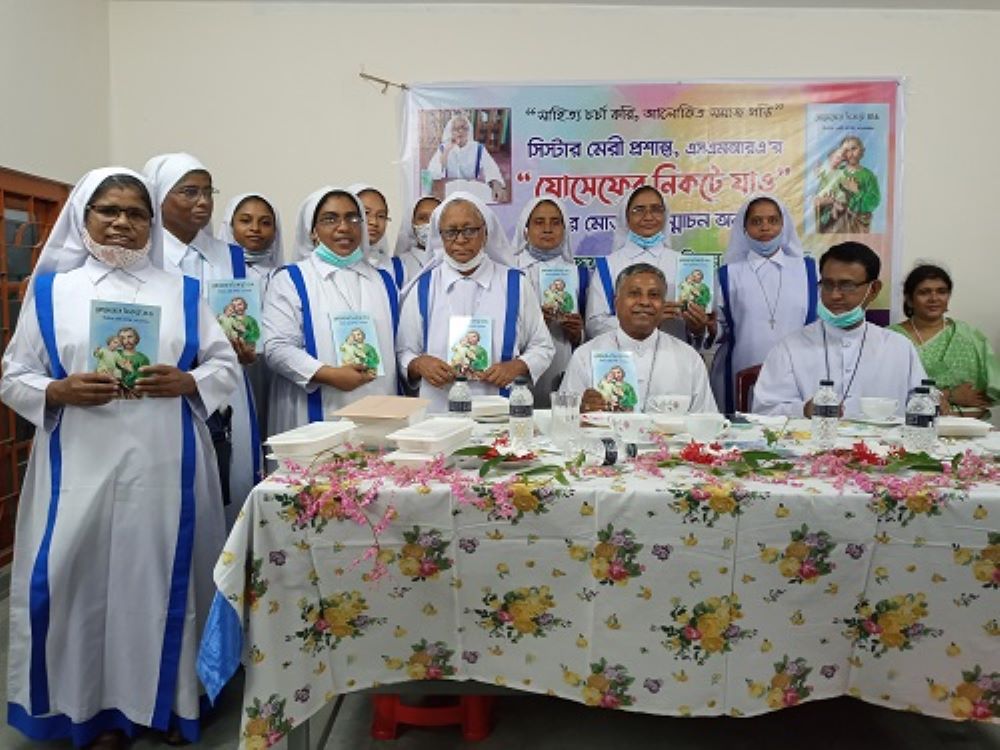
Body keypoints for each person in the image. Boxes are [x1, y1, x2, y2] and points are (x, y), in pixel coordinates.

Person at [0, 167, 239, 749]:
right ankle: (91, 711)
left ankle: (172, 704)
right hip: (78, 468)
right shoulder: (53, 291)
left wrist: (186, 381)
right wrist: (55, 391)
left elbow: (224, 366)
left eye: (136, 213)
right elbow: (14, 372)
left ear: (151, 225)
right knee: (80, 583)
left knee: (164, 581)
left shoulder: (181, 290)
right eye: (108, 210)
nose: (122, 223)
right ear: (83, 218)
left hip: (168, 466)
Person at [144, 153, 261, 521]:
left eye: (208, 192)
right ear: (158, 196)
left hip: (227, 385)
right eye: (189, 192)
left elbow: (252, 321)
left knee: (236, 477)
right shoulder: (143, 254)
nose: (203, 202)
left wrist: (249, 346)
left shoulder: (231, 256)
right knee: (177, 493)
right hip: (166, 387)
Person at [396, 192, 554, 413]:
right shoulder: (424, 286)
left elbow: (542, 346)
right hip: (438, 414)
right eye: (451, 232)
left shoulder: (515, 284)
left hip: (501, 413)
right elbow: (404, 351)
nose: (460, 240)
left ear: (486, 232)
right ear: (440, 236)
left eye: (470, 230)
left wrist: (516, 366)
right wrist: (419, 364)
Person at [263, 187, 400, 434]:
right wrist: (327, 374)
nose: (344, 227)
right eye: (330, 219)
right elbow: (276, 347)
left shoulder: (384, 280)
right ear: (312, 231)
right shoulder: (292, 279)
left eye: (353, 217)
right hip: (317, 405)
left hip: (380, 407)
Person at [754, 241, 925, 418]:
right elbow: (764, 411)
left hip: (881, 445)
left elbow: (922, 406)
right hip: (813, 443)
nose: (835, 295)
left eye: (847, 286)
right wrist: (804, 410)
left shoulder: (899, 348)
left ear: (873, 290)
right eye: (827, 285)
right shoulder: (790, 347)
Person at [703, 194, 819, 413]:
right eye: (756, 221)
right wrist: (709, 327)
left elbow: (819, 324)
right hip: (740, 367)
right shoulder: (728, 274)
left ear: (783, 225)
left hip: (799, 369)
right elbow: (721, 328)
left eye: (773, 220)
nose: (765, 227)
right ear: (744, 228)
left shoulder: (807, 270)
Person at [563, 263, 717, 414]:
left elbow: (707, 422)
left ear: (664, 304)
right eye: (634, 294)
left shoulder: (689, 358)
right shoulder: (584, 356)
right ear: (617, 303)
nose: (644, 302)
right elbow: (564, 419)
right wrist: (579, 413)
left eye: (654, 295)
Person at [584, 185, 707, 341]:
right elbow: (595, 324)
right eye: (639, 210)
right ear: (626, 217)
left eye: (656, 209)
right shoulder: (608, 265)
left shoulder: (685, 265)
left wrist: (697, 327)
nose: (648, 216)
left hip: (673, 358)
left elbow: (700, 333)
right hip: (622, 359)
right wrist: (646, 322)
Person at [889, 264, 1000, 418]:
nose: (934, 298)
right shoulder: (890, 338)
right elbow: (882, 393)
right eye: (924, 292)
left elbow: (983, 397)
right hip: (905, 424)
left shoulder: (969, 337)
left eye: (941, 291)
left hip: (963, 428)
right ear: (909, 299)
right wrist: (949, 395)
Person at [511, 196, 587, 406]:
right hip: (518, 362)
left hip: (562, 361)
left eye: (555, 222)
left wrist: (577, 332)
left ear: (565, 229)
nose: (547, 229)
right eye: (539, 222)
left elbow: (589, 334)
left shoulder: (578, 273)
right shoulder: (509, 270)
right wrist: (532, 321)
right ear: (525, 228)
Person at [426, 113, 506, 202]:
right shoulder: (444, 148)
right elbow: (434, 171)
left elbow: (491, 167)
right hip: (451, 188)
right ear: (451, 132)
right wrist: (447, 151)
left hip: (473, 188)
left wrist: (497, 184)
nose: (460, 131)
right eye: (456, 129)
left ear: (469, 131)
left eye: (464, 128)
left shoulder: (478, 148)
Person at [215, 191, 284, 295]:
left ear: (275, 230)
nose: (255, 228)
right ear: (230, 225)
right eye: (245, 220)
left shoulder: (284, 277)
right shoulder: (212, 272)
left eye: (265, 223)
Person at [815, 135, 881, 234]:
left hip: (857, 225)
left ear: (862, 151)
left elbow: (874, 201)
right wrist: (824, 201)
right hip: (835, 224)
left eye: (854, 148)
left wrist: (857, 191)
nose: (850, 153)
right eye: (846, 150)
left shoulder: (869, 176)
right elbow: (821, 193)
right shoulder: (835, 172)